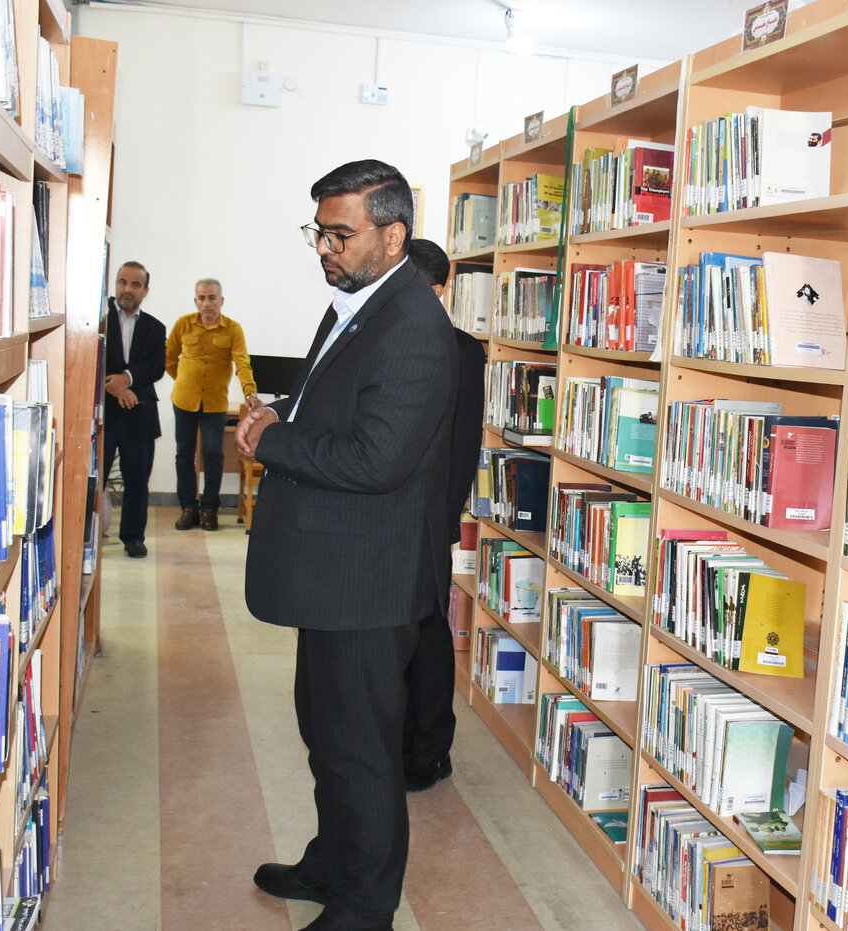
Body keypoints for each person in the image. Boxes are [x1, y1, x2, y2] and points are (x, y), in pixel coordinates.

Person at [236, 159, 457, 931]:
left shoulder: (414, 327)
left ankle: (365, 907)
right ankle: (331, 863)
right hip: (335, 573)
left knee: (360, 751)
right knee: (325, 733)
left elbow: (376, 458)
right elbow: (334, 401)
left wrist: (274, 439)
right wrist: (280, 409)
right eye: (319, 232)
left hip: (369, 581)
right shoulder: (360, 303)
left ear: (392, 236)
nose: (324, 248)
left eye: (341, 233)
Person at [400, 238, 486, 792]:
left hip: (428, 517)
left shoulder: (462, 350)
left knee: (428, 630)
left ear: (436, 289)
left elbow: (463, 443)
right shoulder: (385, 338)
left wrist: (445, 517)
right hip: (384, 515)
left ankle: (429, 750)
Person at [165, 278, 260, 532]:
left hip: (215, 404)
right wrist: (184, 381)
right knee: (184, 455)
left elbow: (242, 363)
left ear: (221, 301)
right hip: (184, 400)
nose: (207, 303)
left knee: (213, 454)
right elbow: (169, 358)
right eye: (202, 298)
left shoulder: (233, 329)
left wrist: (250, 391)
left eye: (212, 298)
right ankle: (188, 508)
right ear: (196, 301)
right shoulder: (183, 324)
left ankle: (209, 509)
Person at [102, 261, 166, 559]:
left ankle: (133, 538)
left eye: (135, 284)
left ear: (145, 291)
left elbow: (156, 367)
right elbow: (89, 355)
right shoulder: (98, 320)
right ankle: (84, 537)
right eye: (122, 282)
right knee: (93, 480)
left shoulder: (155, 327)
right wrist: (115, 387)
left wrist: (126, 380)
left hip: (139, 413)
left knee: (138, 482)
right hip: (103, 415)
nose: (127, 289)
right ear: (115, 285)